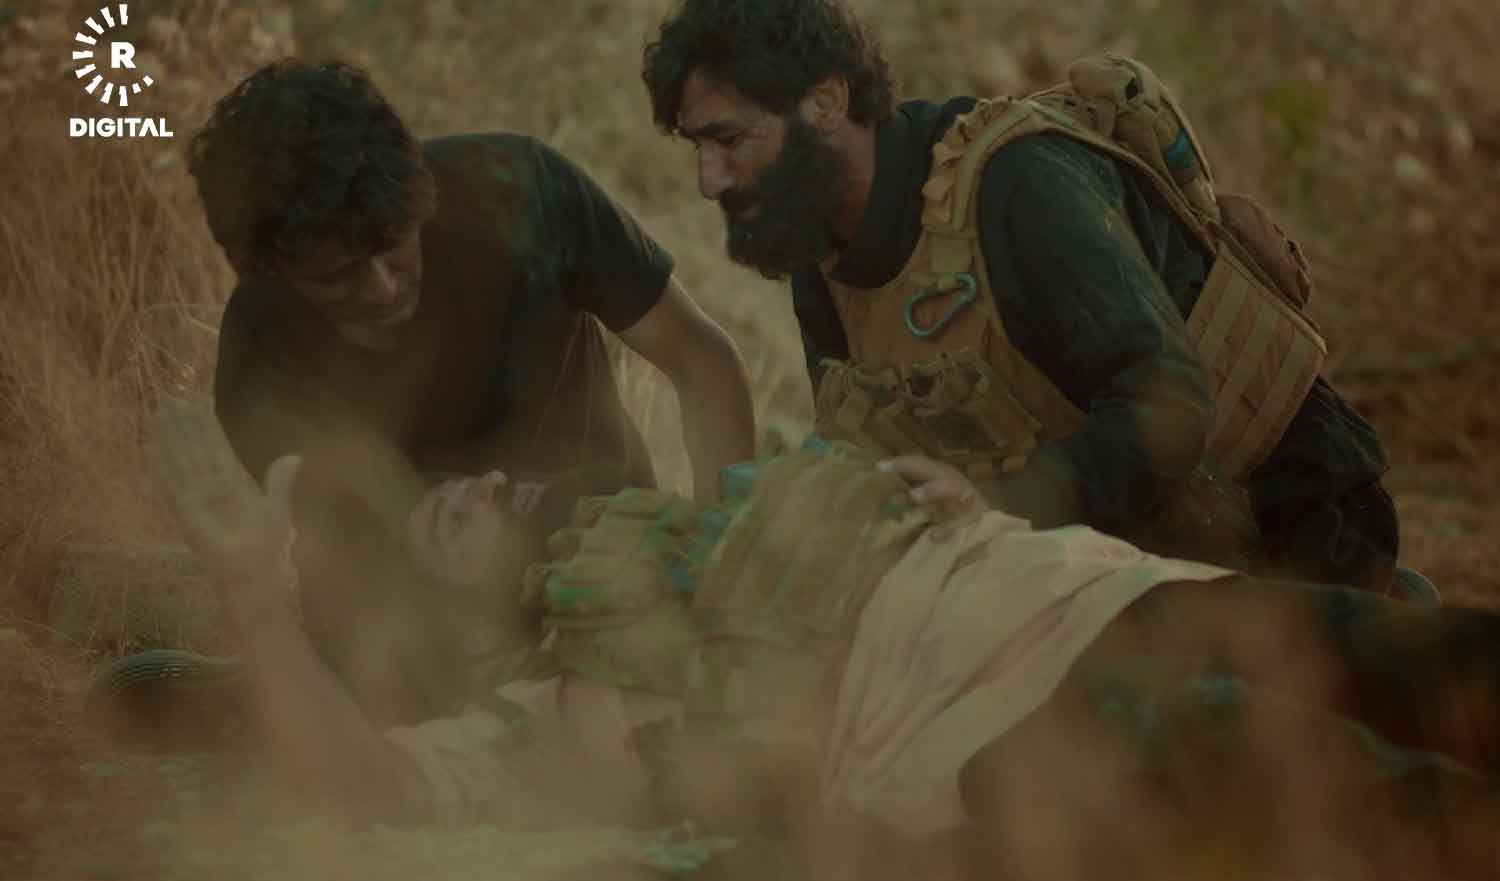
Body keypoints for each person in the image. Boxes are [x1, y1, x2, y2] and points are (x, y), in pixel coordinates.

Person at [146, 398, 1500, 880]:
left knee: (1415, 657)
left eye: (478, 477)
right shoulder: (546, 716)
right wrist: (257, 606)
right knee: (1332, 784)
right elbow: (367, 783)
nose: (486, 483)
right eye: (448, 517)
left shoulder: (691, 519)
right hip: (1012, 736)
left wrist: (958, 496)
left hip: (1096, 592)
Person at [638, 0, 1434, 603]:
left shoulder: (1018, 183)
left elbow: (1171, 407)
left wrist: (992, 507)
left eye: (730, 140)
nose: (709, 180)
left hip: (1290, 527)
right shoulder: (822, 254)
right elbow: (869, 461)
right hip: (1108, 569)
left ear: (824, 103)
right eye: (696, 148)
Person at [163, 58, 756, 725]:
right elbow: (356, 568)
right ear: (274, 274)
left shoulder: (518, 193)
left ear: (418, 197)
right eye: (337, 276)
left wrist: (724, 570)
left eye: (393, 244)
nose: (383, 287)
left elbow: (701, 363)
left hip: (604, 575)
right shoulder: (261, 362)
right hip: (415, 636)